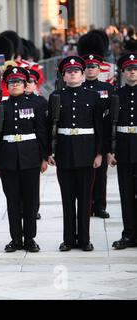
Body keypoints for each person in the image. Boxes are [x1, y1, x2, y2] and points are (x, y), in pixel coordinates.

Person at [48, 56, 103, 252]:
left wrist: (99, 153)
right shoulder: (56, 96)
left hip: (87, 152)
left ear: (82, 74)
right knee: (67, 198)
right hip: (64, 152)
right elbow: (50, 127)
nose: (72, 74)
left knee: (85, 198)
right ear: (63, 76)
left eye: (76, 71)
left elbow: (99, 127)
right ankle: (68, 240)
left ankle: (85, 239)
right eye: (69, 72)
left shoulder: (93, 96)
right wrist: (49, 152)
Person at [0, 67, 48, 253]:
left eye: (18, 82)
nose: (15, 85)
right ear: (6, 86)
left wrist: (44, 157)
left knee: (31, 200)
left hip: (31, 156)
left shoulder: (35, 105)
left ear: (25, 85)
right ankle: (15, 239)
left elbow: (41, 132)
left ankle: (30, 238)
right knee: (13, 201)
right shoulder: (1, 107)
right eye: (11, 82)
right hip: (8, 158)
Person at [107, 52, 137, 250]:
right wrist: (110, 151)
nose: (132, 73)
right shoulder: (117, 95)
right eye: (129, 70)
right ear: (123, 73)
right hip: (125, 147)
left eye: (135, 69)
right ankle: (129, 234)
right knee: (126, 193)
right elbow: (109, 124)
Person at [81, 53, 114, 219]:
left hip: (103, 131)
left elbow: (111, 113)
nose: (90, 70)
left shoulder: (107, 88)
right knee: (87, 173)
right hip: (86, 134)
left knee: (101, 174)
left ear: (99, 69)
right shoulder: (80, 87)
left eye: (93, 67)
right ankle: (88, 205)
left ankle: (100, 205)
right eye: (87, 67)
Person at [25, 68, 49, 220]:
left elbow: (44, 130)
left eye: (31, 82)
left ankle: (34, 208)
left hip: (34, 147)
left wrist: (45, 155)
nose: (27, 85)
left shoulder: (41, 102)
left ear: (35, 84)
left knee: (33, 185)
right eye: (25, 82)